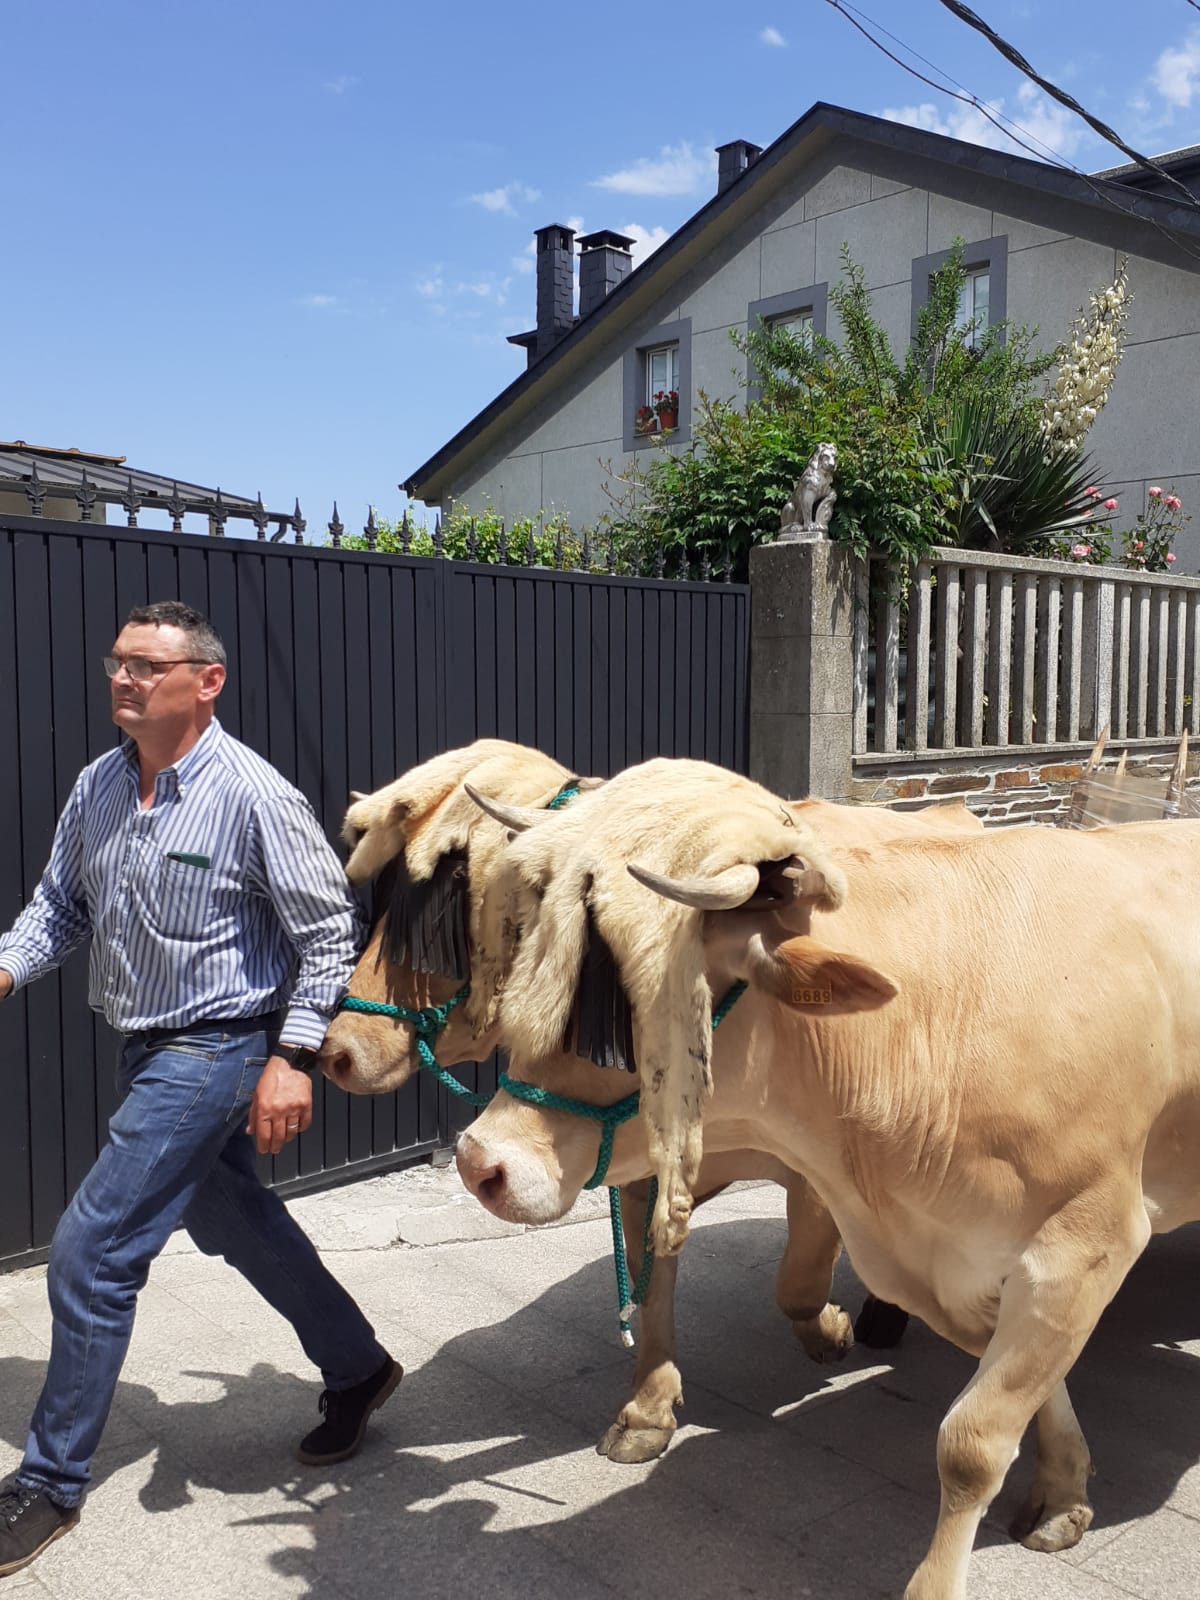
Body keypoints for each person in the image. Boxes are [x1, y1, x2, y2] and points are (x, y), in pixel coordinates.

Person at [0, 601, 399, 1580]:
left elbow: (328, 936)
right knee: (234, 1221)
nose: (124, 678)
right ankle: (359, 1366)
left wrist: (290, 1057)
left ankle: (49, 1481)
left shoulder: (253, 794)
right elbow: (61, 905)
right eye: (118, 661)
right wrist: (6, 965)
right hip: (144, 1046)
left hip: (217, 1047)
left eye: (147, 665)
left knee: (92, 1250)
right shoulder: (99, 785)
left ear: (206, 681)